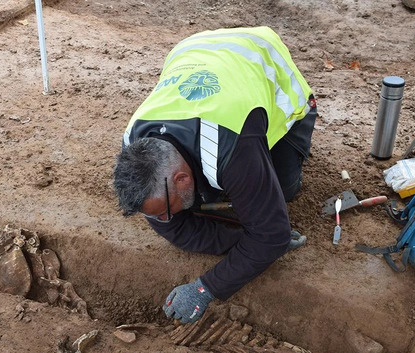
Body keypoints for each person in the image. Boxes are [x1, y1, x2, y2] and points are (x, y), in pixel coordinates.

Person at [113, 26, 317, 324]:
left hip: (262, 59)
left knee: (283, 190)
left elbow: (273, 237)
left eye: (165, 213)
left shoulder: (233, 148)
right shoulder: (135, 147)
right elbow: (175, 228)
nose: (166, 222)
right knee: (205, 198)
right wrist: (242, 241)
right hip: (192, 50)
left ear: (181, 178)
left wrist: (205, 288)